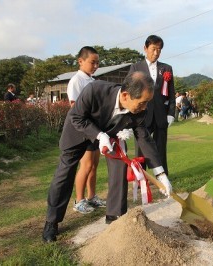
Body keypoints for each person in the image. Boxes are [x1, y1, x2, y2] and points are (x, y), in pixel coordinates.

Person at [42, 71, 172, 242]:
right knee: (64, 173)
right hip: (79, 132)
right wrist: (99, 135)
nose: (145, 108)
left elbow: (144, 138)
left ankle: (115, 217)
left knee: (120, 166)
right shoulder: (94, 90)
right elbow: (76, 117)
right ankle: (52, 221)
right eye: (142, 103)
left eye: (147, 103)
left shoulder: (139, 110)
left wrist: (160, 174)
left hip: (111, 136)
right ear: (125, 95)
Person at [128, 35, 176, 175]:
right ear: (145, 48)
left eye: (159, 50)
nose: (156, 53)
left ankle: (162, 176)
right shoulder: (136, 67)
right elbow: (129, 92)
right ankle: (141, 177)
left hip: (161, 114)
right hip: (142, 116)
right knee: (141, 149)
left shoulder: (167, 68)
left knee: (161, 147)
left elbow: (171, 93)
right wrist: (130, 118)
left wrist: (171, 113)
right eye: (153, 49)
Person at [66, 46, 105, 214]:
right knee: (86, 165)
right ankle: (79, 200)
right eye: (92, 62)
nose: (95, 66)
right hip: (84, 131)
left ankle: (91, 196)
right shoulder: (77, 81)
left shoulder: (92, 80)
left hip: (95, 129)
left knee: (94, 165)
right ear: (80, 61)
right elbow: (75, 108)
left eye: (97, 63)